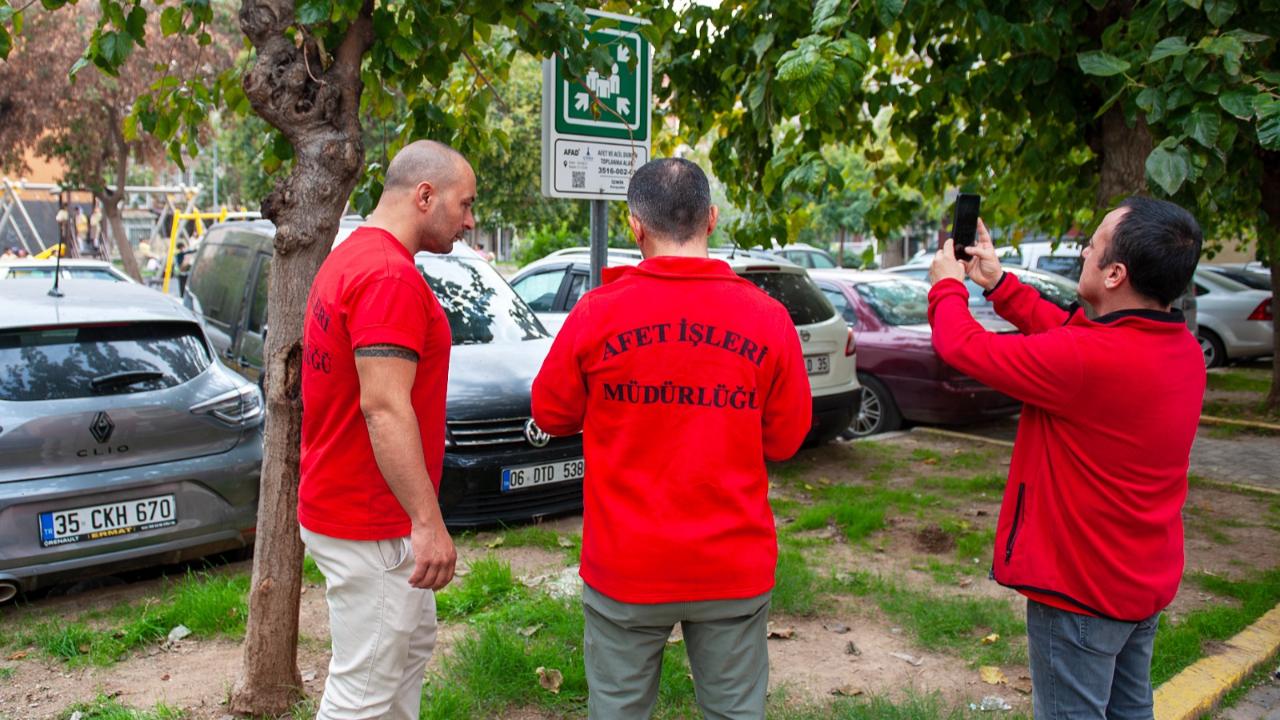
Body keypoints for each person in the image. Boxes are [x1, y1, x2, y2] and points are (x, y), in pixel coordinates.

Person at [531, 158, 812, 719]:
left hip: (626, 566)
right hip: (731, 566)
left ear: (635, 226)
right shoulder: (768, 318)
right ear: (710, 219)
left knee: (617, 710)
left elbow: (552, 412)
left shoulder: (597, 315)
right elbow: (784, 442)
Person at [926, 196, 1205, 720]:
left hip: (1081, 593)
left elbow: (963, 347)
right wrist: (998, 284)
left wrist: (947, 285)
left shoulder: (1087, 362)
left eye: (1092, 246)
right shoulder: (1181, 349)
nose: (1082, 252)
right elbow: (1068, 334)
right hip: (1139, 582)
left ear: (1116, 272)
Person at [299, 140, 474, 720]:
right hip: (372, 520)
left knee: (402, 658)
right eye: (465, 203)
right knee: (363, 695)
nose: (470, 221)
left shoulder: (352, 255)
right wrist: (428, 524)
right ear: (425, 196)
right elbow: (383, 407)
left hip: (356, 507)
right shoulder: (387, 277)